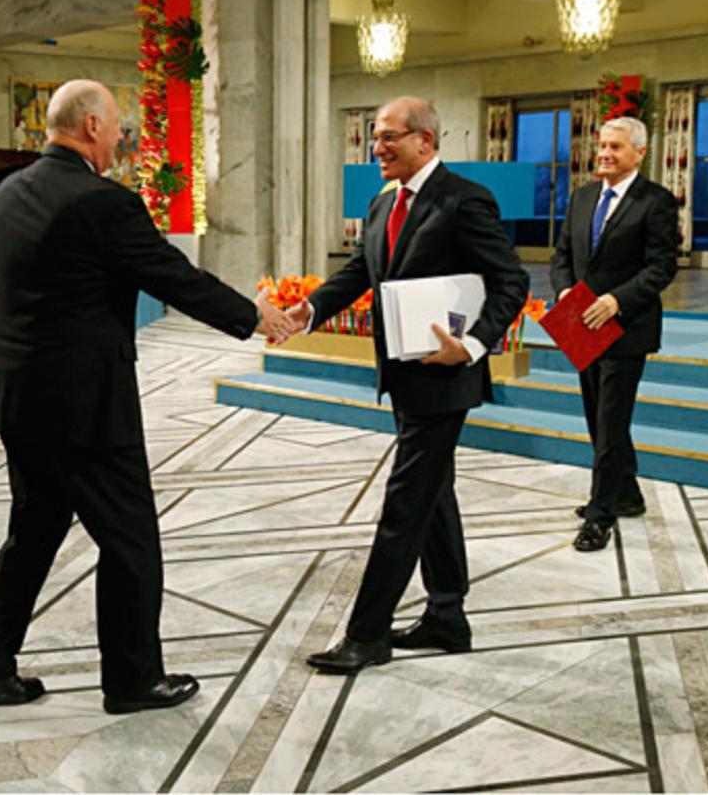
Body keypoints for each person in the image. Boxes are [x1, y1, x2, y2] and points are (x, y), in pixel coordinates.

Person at [0, 79, 293, 713]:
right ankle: (134, 680)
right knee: (130, 540)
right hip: (84, 406)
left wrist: (0, 371)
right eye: (116, 128)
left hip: (14, 397)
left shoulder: (3, 195)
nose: (119, 139)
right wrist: (253, 315)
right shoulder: (102, 202)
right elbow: (173, 276)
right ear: (90, 127)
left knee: (34, 530)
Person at [287, 96, 528, 674]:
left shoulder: (464, 199)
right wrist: (310, 310)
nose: (377, 148)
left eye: (388, 137)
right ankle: (447, 617)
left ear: (425, 139)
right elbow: (360, 271)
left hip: (444, 378)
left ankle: (367, 633)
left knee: (405, 502)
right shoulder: (381, 203)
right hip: (401, 375)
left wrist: (471, 345)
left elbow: (511, 281)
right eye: (374, 136)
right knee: (432, 494)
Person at [550, 117, 678, 552]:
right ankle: (627, 494)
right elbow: (562, 255)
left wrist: (616, 301)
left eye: (615, 147)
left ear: (639, 153)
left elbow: (661, 267)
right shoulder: (583, 197)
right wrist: (564, 291)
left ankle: (600, 515)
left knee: (610, 422)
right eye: (602, 145)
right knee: (598, 419)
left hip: (625, 328)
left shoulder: (655, 202)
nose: (604, 153)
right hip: (581, 326)